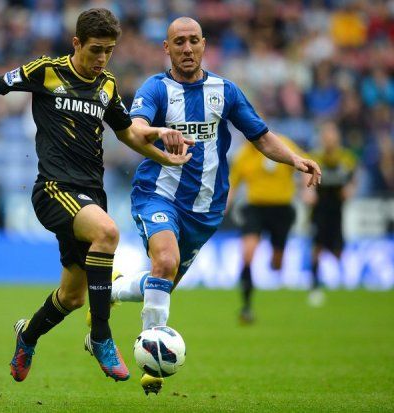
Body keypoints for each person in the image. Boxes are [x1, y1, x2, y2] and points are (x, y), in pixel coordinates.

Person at [0, 8, 193, 384]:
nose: (101, 59)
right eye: (95, 50)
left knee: (72, 297)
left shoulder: (106, 84)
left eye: (109, 51)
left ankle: (27, 337)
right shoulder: (45, 70)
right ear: (76, 43)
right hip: (53, 189)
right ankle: (101, 337)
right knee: (107, 234)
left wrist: (164, 156)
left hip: (91, 194)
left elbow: (127, 133)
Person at [105, 17, 321, 394]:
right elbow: (135, 129)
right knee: (166, 261)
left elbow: (262, 136)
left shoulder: (225, 91)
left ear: (204, 45)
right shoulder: (156, 89)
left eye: (193, 41)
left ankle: (112, 291)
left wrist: (295, 160)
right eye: (179, 42)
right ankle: (151, 363)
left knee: (161, 282)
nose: (187, 49)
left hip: (206, 211)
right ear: (166, 49)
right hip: (158, 194)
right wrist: (159, 132)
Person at [228, 134, 306, 324]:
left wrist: (308, 190)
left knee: (277, 263)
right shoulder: (243, 155)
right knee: (247, 254)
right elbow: (233, 185)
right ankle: (246, 307)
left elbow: (304, 165)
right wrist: (223, 207)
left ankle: (275, 262)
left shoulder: (283, 144)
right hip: (255, 208)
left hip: (281, 209)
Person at [304, 121, 357, 306]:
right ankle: (315, 287)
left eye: (331, 136)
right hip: (319, 208)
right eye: (326, 136)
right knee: (316, 248)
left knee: (338, 250)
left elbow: (352, 180)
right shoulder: (315, 157)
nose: (328, 139)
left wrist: (350, 189)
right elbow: (305, 178)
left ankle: (345, 282)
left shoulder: (346, 159)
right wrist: (307, 191)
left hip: (337, 208)